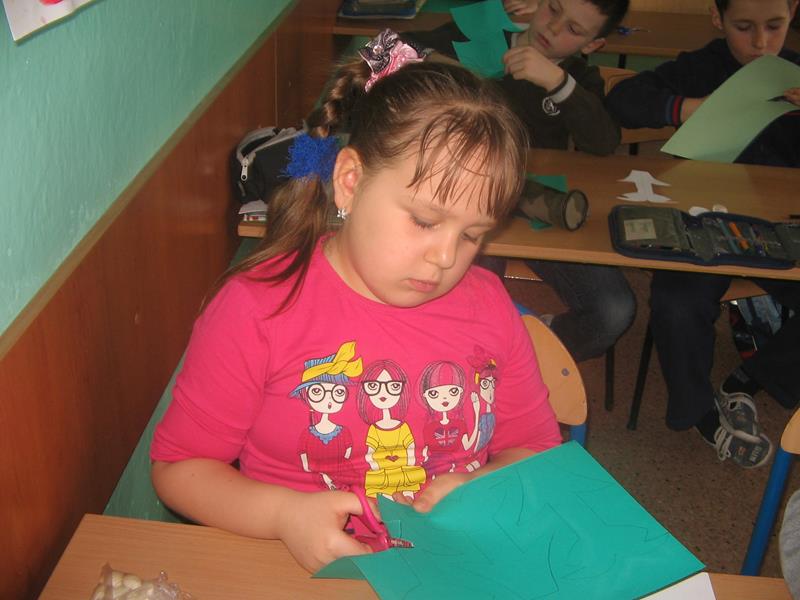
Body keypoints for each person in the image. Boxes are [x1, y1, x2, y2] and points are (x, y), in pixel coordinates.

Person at [149, 31, 562, 574]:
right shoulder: (257, 308)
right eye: (425, 221)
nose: (445, 257)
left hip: (449, 568)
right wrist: (283, 517)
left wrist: (482, 485)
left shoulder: (487, 305)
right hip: (299, 570)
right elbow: (179, 469)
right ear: (349, 182)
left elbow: (535, 450)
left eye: (471, 235)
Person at [606, 0, 800, 467]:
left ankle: (750, 379)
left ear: (793, 12)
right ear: (718, 19)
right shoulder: (702, 67)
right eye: (743, 27)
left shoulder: (794, 73)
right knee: (676, 300)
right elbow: (623, 100)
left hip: (781, 228)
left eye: (774, 26)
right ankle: (697, 411)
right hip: (705, 222)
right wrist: (689, 108)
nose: (760, 42)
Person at [403, 0, 636, 362]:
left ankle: (521, 352)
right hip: (471, 203)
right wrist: (458, 72)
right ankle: (472, 359)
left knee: (614, 310)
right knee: (473, 295)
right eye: (553, 9)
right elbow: (388, 48)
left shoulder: (577, 76)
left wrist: (558, 82)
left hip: (540, 208)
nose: (554, 28)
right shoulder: (483, 36)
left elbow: (603, 141)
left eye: (573, 30)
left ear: (592, 45)